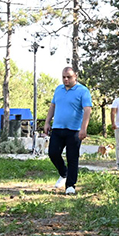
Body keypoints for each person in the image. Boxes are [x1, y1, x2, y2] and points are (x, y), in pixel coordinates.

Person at [44, 66, 93, 195]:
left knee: (72, 158)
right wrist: (47, 122)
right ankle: (63, 173)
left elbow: (87, 110)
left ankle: (70, 185)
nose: (66, 79)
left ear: (75, 76)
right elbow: (53, 106)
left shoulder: (83, 91)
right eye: (64, 77)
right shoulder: (58, 90)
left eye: (69, 77)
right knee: (53, 153)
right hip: (58, 128)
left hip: (74, 130)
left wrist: (84, 128)